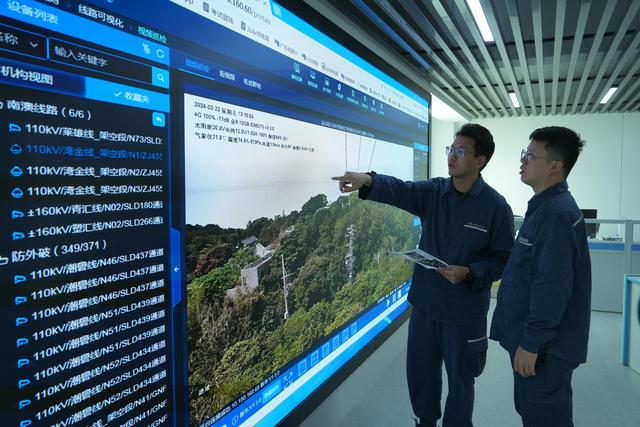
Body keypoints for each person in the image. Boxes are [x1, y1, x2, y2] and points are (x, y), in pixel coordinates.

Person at [333, 124, 514, 427]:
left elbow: (503, 259)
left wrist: (470, 272)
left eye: (460, 151)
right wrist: (367, 180)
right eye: (451, 149)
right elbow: (401, 189)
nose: (451, 157)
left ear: (480, 160)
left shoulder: (495, 207)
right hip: (426, 306)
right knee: (421, 375)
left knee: (461, 380)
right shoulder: (435, 192)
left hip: (463, 311)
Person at [489, 126, 592, 426]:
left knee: (544, 417)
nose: (523, 160)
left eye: (531, 156)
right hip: (541, 343)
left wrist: (532, 343)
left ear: (555, 166)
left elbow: (552, 287)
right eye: (525, 153)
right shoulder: (546, 207)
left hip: (545, 350)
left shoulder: (555, 215)